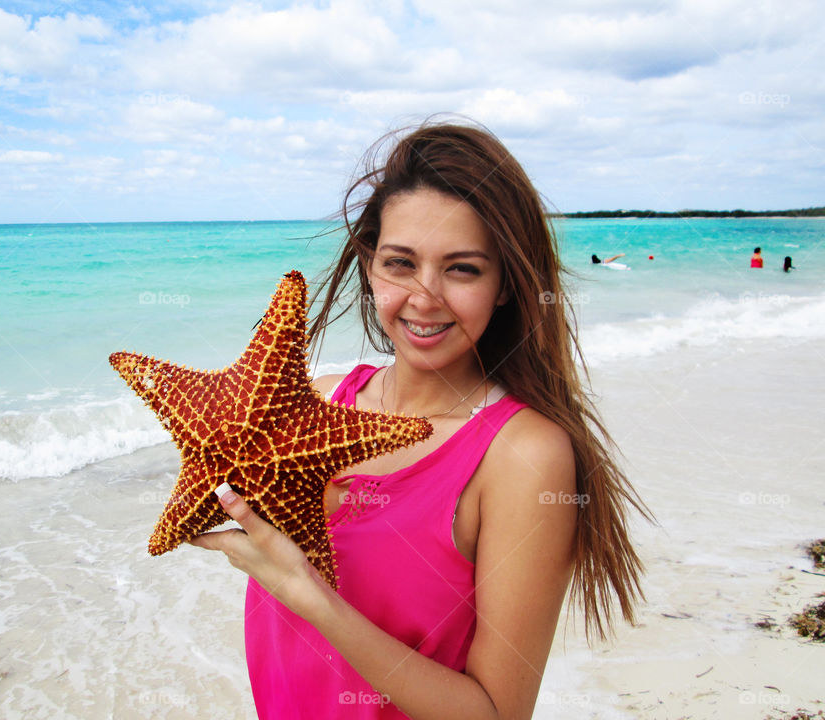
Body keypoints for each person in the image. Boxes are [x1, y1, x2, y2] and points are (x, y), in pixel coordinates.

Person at [192, 121, 649, 720]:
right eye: (400, 263)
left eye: (462, 269)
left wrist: (314, 599)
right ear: (369, 266)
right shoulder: (315, 405)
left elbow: (497, 713)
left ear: (506, 283)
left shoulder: (524, 457)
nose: (424, 297)